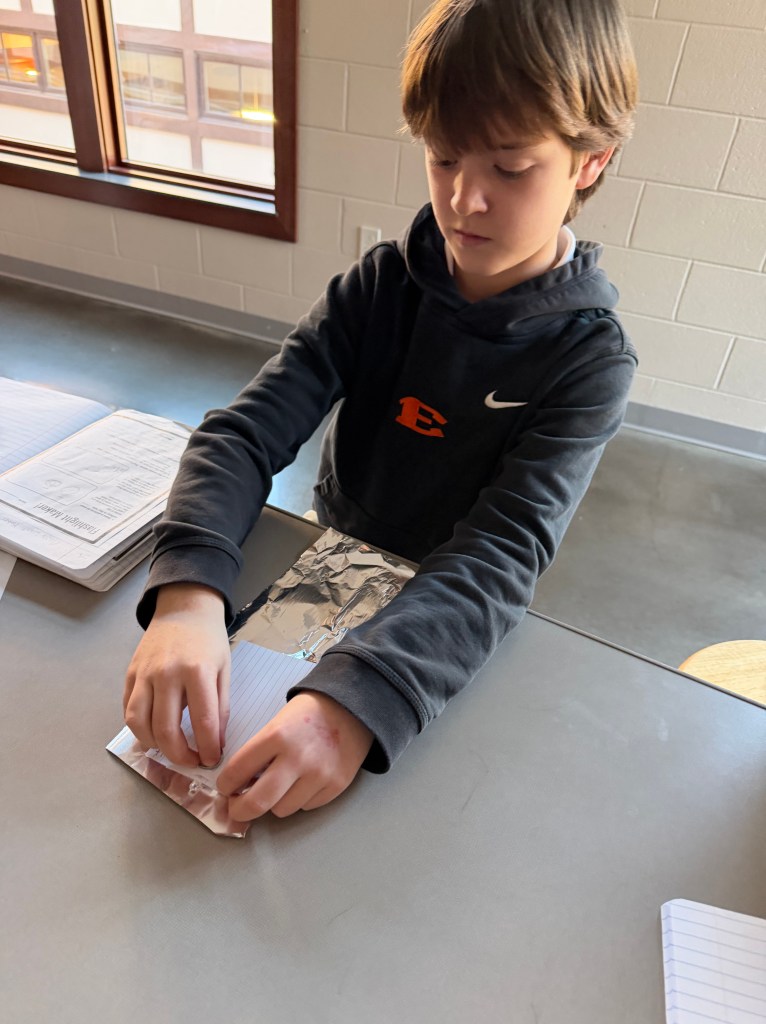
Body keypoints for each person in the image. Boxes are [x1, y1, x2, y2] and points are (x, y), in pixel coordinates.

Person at [124, 0, 639, 822]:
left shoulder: (590, 361)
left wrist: (360, 700)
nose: (464, 199)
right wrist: (188, 592)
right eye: (443, 157)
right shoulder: (379, 286)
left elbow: (502, 553)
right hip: (331, 554)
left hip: (445, 613)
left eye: (510, 168)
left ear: (591, 161)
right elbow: (243, 434)